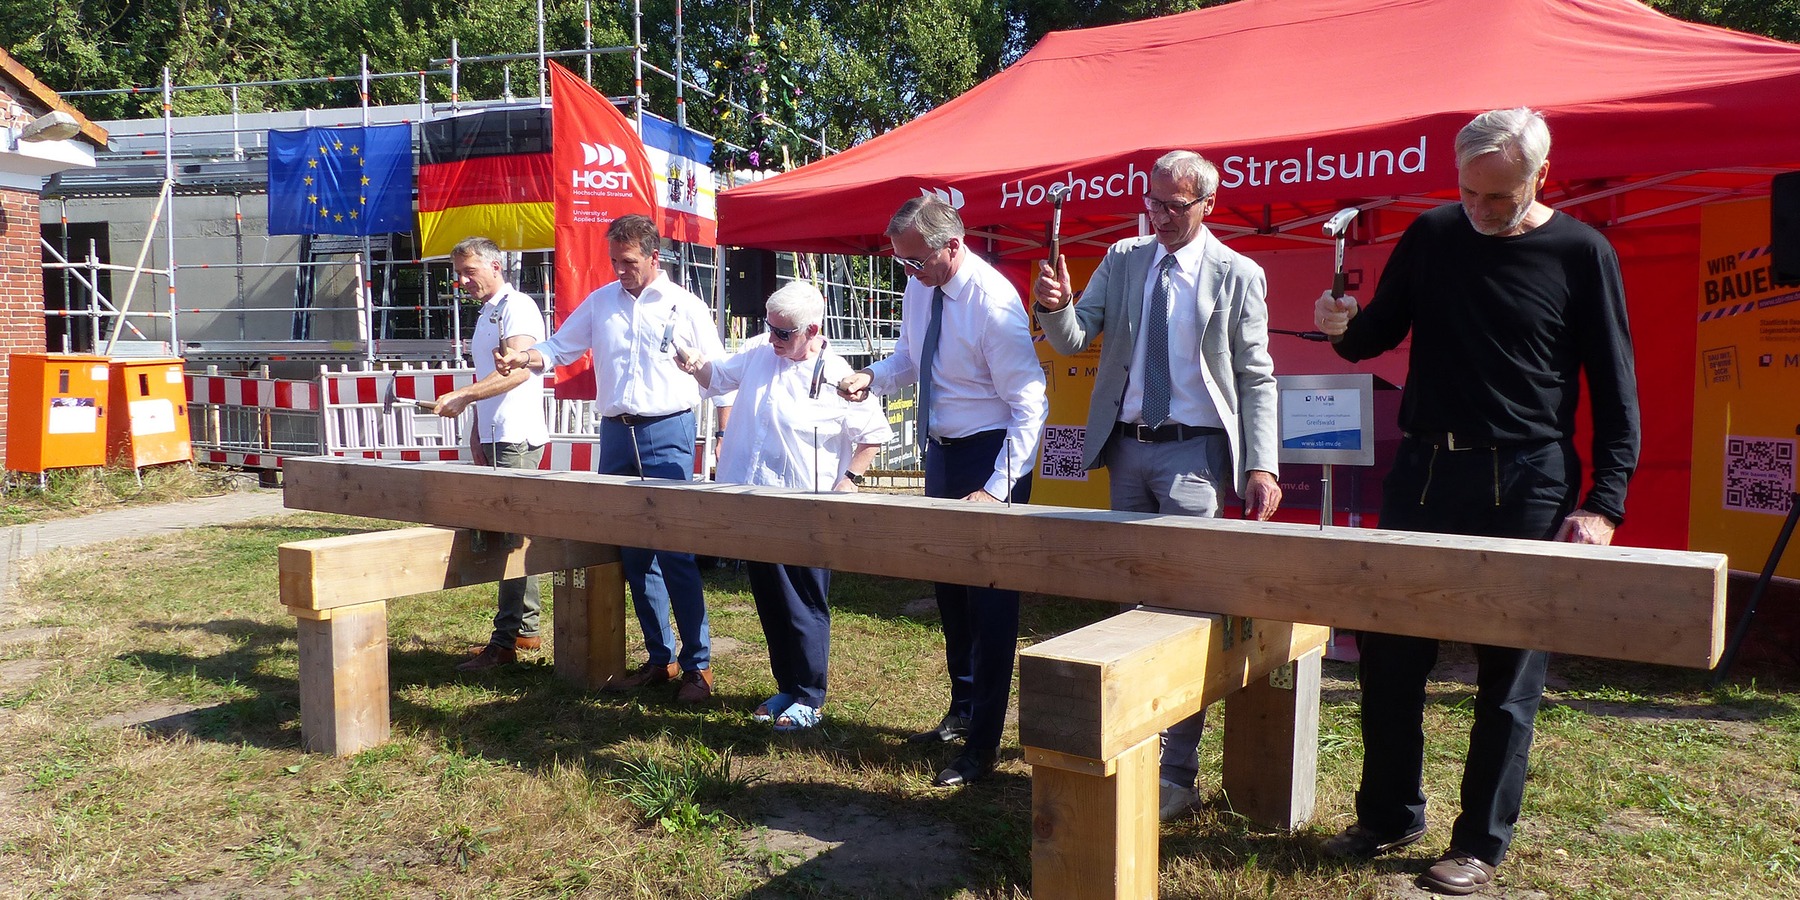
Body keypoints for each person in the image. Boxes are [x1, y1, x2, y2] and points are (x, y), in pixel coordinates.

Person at [1312, 107, 1639, 896]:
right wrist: (1338, 327)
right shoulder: (1431, 235)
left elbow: (1616, 385)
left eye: (1500, 197)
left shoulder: (1581, 251)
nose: (1481, 211)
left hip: (1527, 482)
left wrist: (1605, 503)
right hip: (1424, 473)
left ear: (1539, 178)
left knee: (1508, 675)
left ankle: (1480, 844)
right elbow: (1373, 336)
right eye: (1469, 192)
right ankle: (1389, 812)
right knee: (1389, 656)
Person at [1033, 150, 1283, 821]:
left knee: (1184, 610)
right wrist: (1053, 306)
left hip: (1195, 458)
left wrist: (1263, 464)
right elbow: (1074, 337)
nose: (1162, 216)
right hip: (1126, 451)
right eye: (1154, 202)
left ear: (1208, 205)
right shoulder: (1123, 258)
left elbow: (1257, 376)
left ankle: (1178, 771)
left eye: (1176, 206)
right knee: (1132, 606)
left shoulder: (1237, 273)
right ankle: (1138, 744)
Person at [838, 196, 1048, 788]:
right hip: (943, 453)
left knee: (991, 606)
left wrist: (997, 490)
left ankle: (982, 746)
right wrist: (872, 377)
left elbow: (1030, 404)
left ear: (952, 245)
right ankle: (961, 711)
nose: (909, 272)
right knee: (950, 595)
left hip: (990, 456)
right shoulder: (920, 286)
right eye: (901, 263)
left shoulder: (993, 301)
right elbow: (912, 358)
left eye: (915, 261)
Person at [497, 214, 726, 704]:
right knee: (632, 551)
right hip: (616, 434)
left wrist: (724, 433)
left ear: (653, 258)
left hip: (669, 429)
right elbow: (559, 347)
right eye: (613, 262)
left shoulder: (685, 306)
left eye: (628, 262)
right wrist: (525, 358)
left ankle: (697, 666)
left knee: (675, 550)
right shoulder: (601, 302)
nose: (619, 271)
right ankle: (659, 658)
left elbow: (719, 371)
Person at [674, 281, 892, 730]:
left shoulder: (837, 373)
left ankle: (810, 695)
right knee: (770, 597)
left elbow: (872, 434)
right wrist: (695, 365)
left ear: (812, 330)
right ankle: (787, 686)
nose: (772, 339)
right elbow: (717, 376)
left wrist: (849, 479)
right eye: (769, 328)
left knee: (804, 600)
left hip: (804, 505)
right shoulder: (759, 353)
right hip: (753, 500)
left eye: (783, 333)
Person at [432, 237, 550, 672]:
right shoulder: (488, 312)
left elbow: (519, 372)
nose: (462, 281)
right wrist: (478, 430)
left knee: (509, 541)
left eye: (469, 271)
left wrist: (464, 396)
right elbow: (490, 375)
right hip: (499, 434)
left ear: (496, 265)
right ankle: (524, 629)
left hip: (516, 435)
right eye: (458, 273)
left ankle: (504, 642)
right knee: (510, 537)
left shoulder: (517, 307)